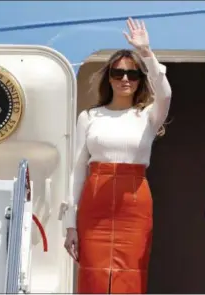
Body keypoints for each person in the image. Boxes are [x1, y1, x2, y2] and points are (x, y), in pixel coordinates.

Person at [62, 17, 172, 294]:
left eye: (132, 74)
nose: (125, 79)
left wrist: (146, 53)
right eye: (118, 73)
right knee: (94, 277)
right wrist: (69, 225)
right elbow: (76, 171)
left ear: (140, 80)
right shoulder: (89, 116)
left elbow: (166, 93)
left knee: (130, 275)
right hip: (94, 202)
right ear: (108, 77)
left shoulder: (148, 116)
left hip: (133, 204)